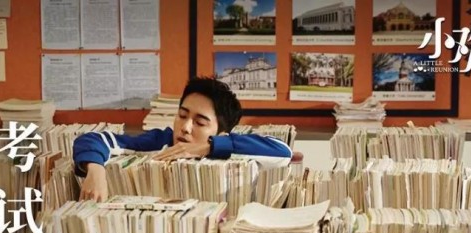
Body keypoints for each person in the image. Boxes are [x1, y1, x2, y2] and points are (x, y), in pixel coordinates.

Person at [73, 76, 303, 202]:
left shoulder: (232, 146)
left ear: (221, 132)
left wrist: (209, 147)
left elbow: (283, 151)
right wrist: (95, 170)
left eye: (200, 123)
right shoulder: (160, 142)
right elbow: (92, 139)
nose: (185, 127)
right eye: (182, 115)